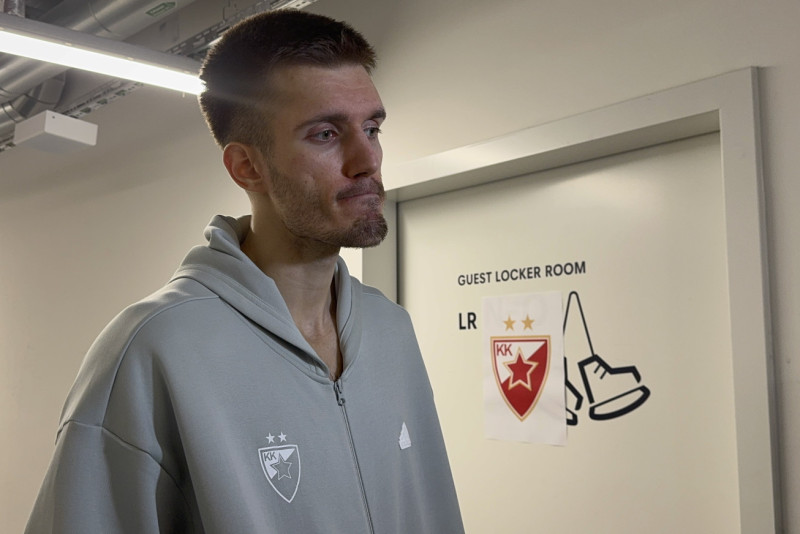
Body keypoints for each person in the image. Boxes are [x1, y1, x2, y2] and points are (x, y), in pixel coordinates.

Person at [25, 9, 464, 533]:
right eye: (326, 134)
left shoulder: (392, 329)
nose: (366, 159)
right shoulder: (154, 347)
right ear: (246, 167)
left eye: (372, 128)